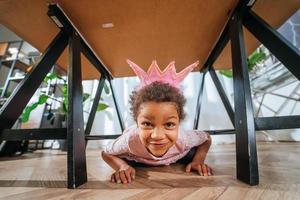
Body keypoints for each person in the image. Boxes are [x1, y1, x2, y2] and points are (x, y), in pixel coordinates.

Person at [101, 59, 212, 184]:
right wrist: (122, 166)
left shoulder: (184, 138)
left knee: (191, 153)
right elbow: (106, 153)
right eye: (147, 124)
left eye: (169, 124)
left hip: (176, 154)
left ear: (179, 123)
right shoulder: (130, 140)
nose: (157, 136)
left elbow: (206, 138)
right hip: (137, 158)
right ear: (137, 123)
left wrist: (198, 160)